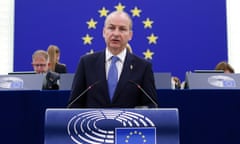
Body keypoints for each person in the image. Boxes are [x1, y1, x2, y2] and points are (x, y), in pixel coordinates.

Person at [68, 11, 158, 108]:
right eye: (111, 28)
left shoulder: (143, 67)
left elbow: (151, 105)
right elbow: (74, 104)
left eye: (122, 29)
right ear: (103, 32)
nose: (116, 33)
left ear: (130, 35)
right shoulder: (86, 63)